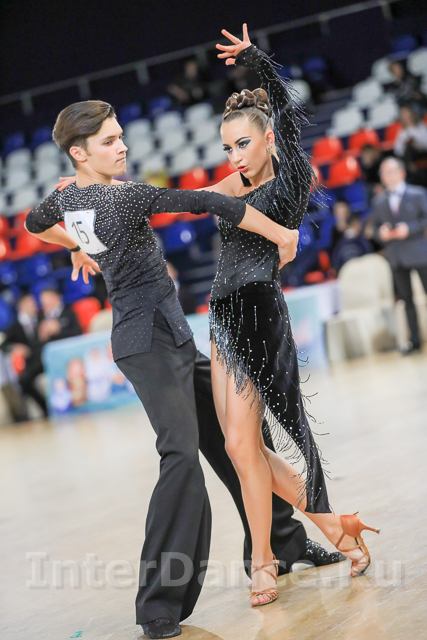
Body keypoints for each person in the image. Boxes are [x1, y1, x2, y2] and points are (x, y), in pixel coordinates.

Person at [25, 99, 343, 640]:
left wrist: (79, 243)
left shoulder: (69, 195)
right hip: (145, 345)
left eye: (120, 136)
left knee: (240, 438)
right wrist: (281, 233)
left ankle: (283, 544)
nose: (122, 146)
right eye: (109, 141)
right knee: (180, 457)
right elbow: (210, 202)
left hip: (172, 338)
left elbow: (34, 223)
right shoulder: (121, 196)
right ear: (79, 153)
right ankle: (157, 605)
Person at [200, 24, 380, 607]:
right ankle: (337, 528)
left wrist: (256, 59)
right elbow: (181, 203)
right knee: (239, 447)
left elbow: (287, 109)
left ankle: (264, 562)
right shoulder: (231, 183)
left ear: (269, 139)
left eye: (243, 145)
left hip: (258, 316)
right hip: (221, 317)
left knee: (255, 444)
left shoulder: (293, 177)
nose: (234, 157)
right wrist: (93, 196)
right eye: (227, 148)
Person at [370, 157, 427, 355]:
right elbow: (374, 228)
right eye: (384, 172)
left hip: (419, 252)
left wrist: (409, 228)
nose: (387, 175)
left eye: (391, 171)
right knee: (406, 300)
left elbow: (425, 219)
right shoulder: (379, 201)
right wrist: (381, 233)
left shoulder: (417, 194)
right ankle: (414, 340)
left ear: (401, 173)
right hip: (396, 256)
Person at [0, 293, 46, 418]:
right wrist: (15, 347)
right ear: (22, 306)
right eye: (30, 303)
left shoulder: (42, 319)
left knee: (24, 379)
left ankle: (43, 410)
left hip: (43, 358)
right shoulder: (15, 326)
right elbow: (3, 345)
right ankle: (33, 412)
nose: (34, 305)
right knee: (22, 380)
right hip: (29, 363)